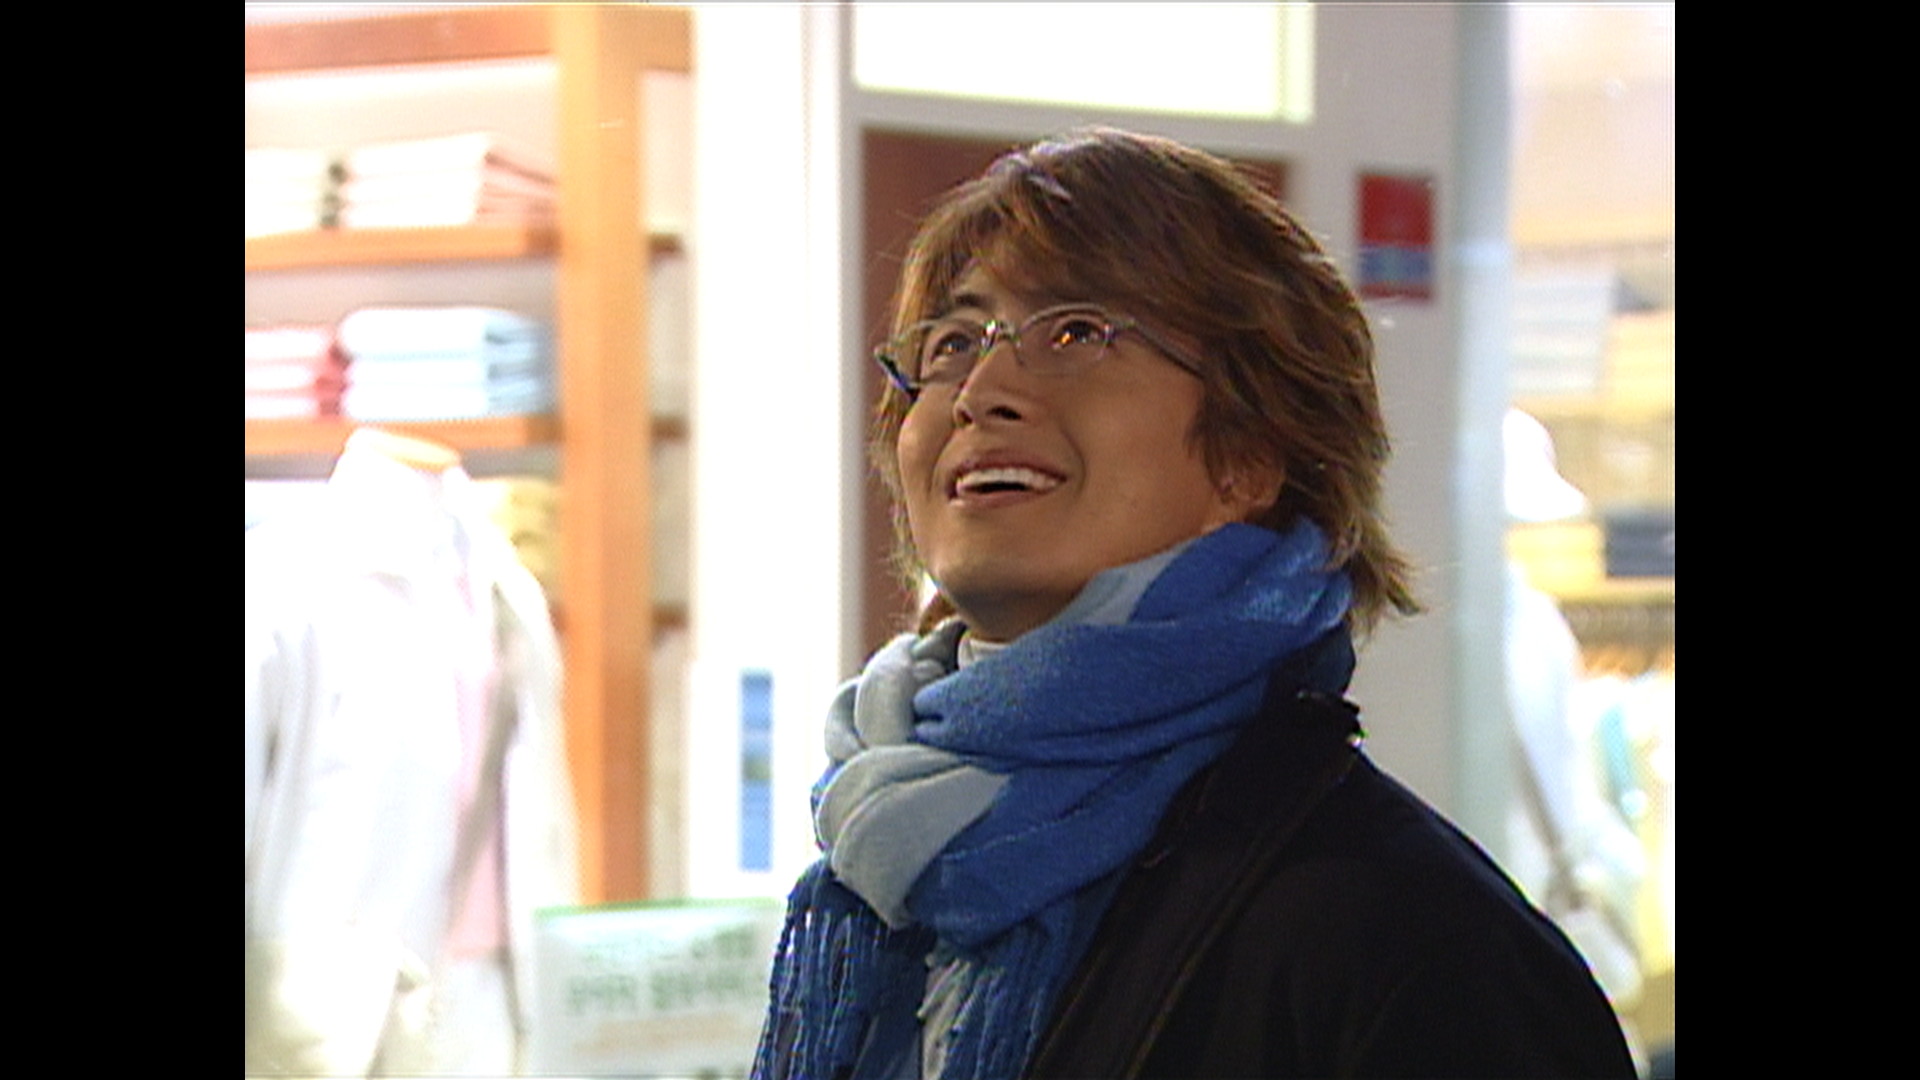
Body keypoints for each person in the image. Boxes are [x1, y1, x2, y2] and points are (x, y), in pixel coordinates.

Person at [752, 128, 1636, 1079]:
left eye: (1076, 333)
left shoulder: (1414, 942)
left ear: (1248, 454)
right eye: (954, 342)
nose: (981, 391)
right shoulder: (876, 865)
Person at [245, 428, 579, 1076]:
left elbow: (545, 828)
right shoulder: (282, 583)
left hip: (493, 1006)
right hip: (330, 1026)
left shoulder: (506, 590)